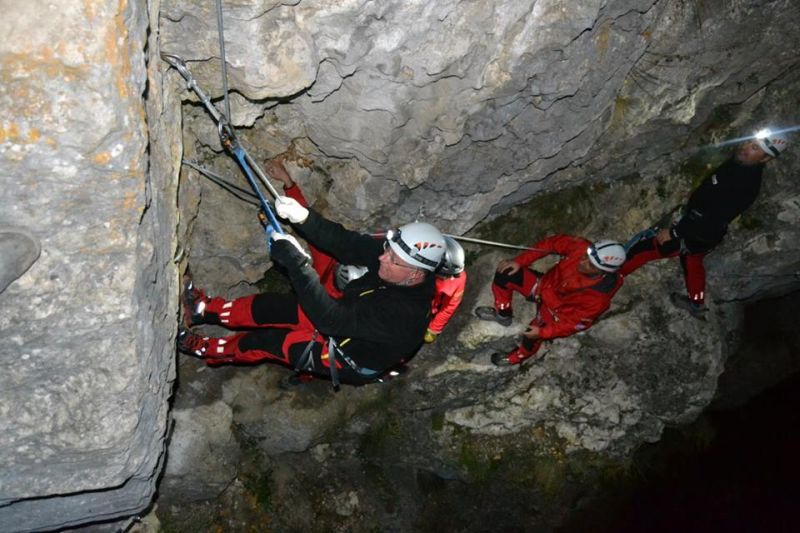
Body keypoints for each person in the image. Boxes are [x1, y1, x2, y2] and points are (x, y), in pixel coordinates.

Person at [178, 187, 447, 387]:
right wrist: (304, 217)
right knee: (270, 306)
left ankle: (205, 348)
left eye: (392, 259)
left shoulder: (404, 315)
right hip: (347, 314)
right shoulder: (398, 257)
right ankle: (202, 309)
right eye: (387, 250)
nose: (381, 258)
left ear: (414, 274)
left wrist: (298, 266)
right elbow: (347, 242)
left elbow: (331, 321)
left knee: (263, 342)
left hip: (344, 355)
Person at [265, 158, 467, 343]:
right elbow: (330, 236)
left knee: (286, 338)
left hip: (327, 315)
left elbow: (329, 319)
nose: (383, 257)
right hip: (328, 290)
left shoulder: (394, 307)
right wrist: (292, 191)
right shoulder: (337, 264)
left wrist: (432, 328)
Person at [620, 129, 790, 319]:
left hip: (697, 232)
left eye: (754, 148)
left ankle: (613, 277)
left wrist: (675, 233)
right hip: (707, 234)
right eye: (749, 142)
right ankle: (697, 302)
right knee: (692, 261)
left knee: (645, 249)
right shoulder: (741, 164)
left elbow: (710, 217)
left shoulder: (745, 184)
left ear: (765, 159)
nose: (745, 147)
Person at [474, 236, 626, 366]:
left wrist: (543, 332)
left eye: (590, 264)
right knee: (506, 273)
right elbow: (551, 243)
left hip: (555, 311)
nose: (582, 261)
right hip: (544, 286)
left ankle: (518, 357)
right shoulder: (581, 247)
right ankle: (503, 313)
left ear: (603, 271)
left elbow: (574, 324)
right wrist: (520, 261)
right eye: (586, 255)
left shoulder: (598, 298)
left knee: (532, 335)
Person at [425, 236, 468, 343]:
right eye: (444, 275)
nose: (450, 278)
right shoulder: (415, 271)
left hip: (428, 309)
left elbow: (450, 306)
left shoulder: (458, 277)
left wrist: (434, 328)